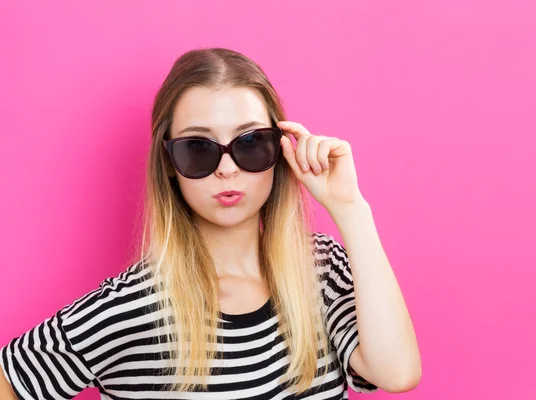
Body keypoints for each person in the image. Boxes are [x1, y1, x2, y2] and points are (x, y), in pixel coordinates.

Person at [0, 47, 421, 399]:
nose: (226, 170)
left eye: (251, 142)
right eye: (198, 148)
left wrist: (350, 208)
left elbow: (397, 373)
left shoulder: (322, 270)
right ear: (169, 163)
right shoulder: (130, 307)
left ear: (280, 149)